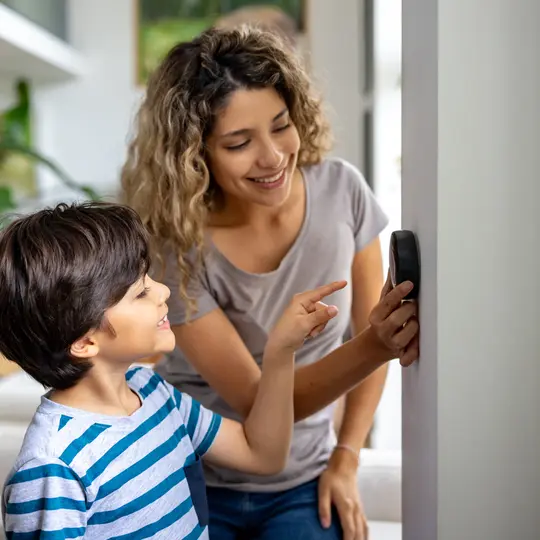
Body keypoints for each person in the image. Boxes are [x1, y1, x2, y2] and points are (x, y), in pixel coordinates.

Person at [122, 26, 419, 540]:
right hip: (188, 473)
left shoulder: (342, 191)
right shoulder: (175, 242)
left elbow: (370, 327)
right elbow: (262, 406)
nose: (273, 156)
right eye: (239, 143)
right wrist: (376, 344)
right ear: (196, 155)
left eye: (281, 125)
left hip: (303, 479)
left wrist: (347, 457)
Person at [0, 202, 344, 539]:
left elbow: (263, 455)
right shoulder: (52, 467)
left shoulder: (152, 391)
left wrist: (280, 352)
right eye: (141, 292)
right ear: (85, 342)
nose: (163, 291)